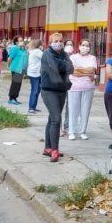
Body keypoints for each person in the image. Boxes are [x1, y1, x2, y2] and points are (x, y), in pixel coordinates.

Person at [40, 32, 73, 163]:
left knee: (52, 119)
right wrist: (64, 65)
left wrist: (64, 65)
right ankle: (54, 150)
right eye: (56, 41)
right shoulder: (47, 53)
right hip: (49, 90)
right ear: (50, 42)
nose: (58, 43)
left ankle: (47, 147)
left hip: (61, 90)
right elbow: (56, 66)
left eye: (60, 41)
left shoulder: (64, 54)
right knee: (56, 120)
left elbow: (71, 68)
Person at [67, 40, 98, 140]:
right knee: (73, 110)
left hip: (88, 87)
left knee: (85, 110)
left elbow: (92, 70)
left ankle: (82, 131)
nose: (85, 47)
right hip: (74, 87)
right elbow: (73, 71)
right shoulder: (73, 57)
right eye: (83, 45)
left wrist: (80, 70)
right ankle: (72, 131)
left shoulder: (92, 58)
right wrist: (86, 72)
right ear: (79, 46)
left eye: (87, 45)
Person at [7, 36, 26, 105]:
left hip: (21, 69)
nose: (22, 42)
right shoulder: (14, 48)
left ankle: (15, 98)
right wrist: (9, 66)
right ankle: (11, 98)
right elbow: (9, 59)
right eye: (20, 41)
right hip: (16, 69)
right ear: (16, 42)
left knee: (18, 84)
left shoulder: (23, 49)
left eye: (22, 40)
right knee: (15, 84)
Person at [26, 38, 44, 114]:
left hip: (34, 73)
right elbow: (45, 58)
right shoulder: (37, 52)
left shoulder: (32, 51)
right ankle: (31, 107)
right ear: (40, 45)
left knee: (36, 90)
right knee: (35, 90)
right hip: (35, 74)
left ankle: (33, 107)